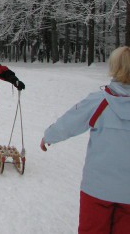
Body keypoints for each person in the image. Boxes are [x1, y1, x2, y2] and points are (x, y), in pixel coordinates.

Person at [41, 46, 130, 233]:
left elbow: (69, 122)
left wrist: (49, 136)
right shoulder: (100, 100)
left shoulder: (100, 101)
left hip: (97, 187)